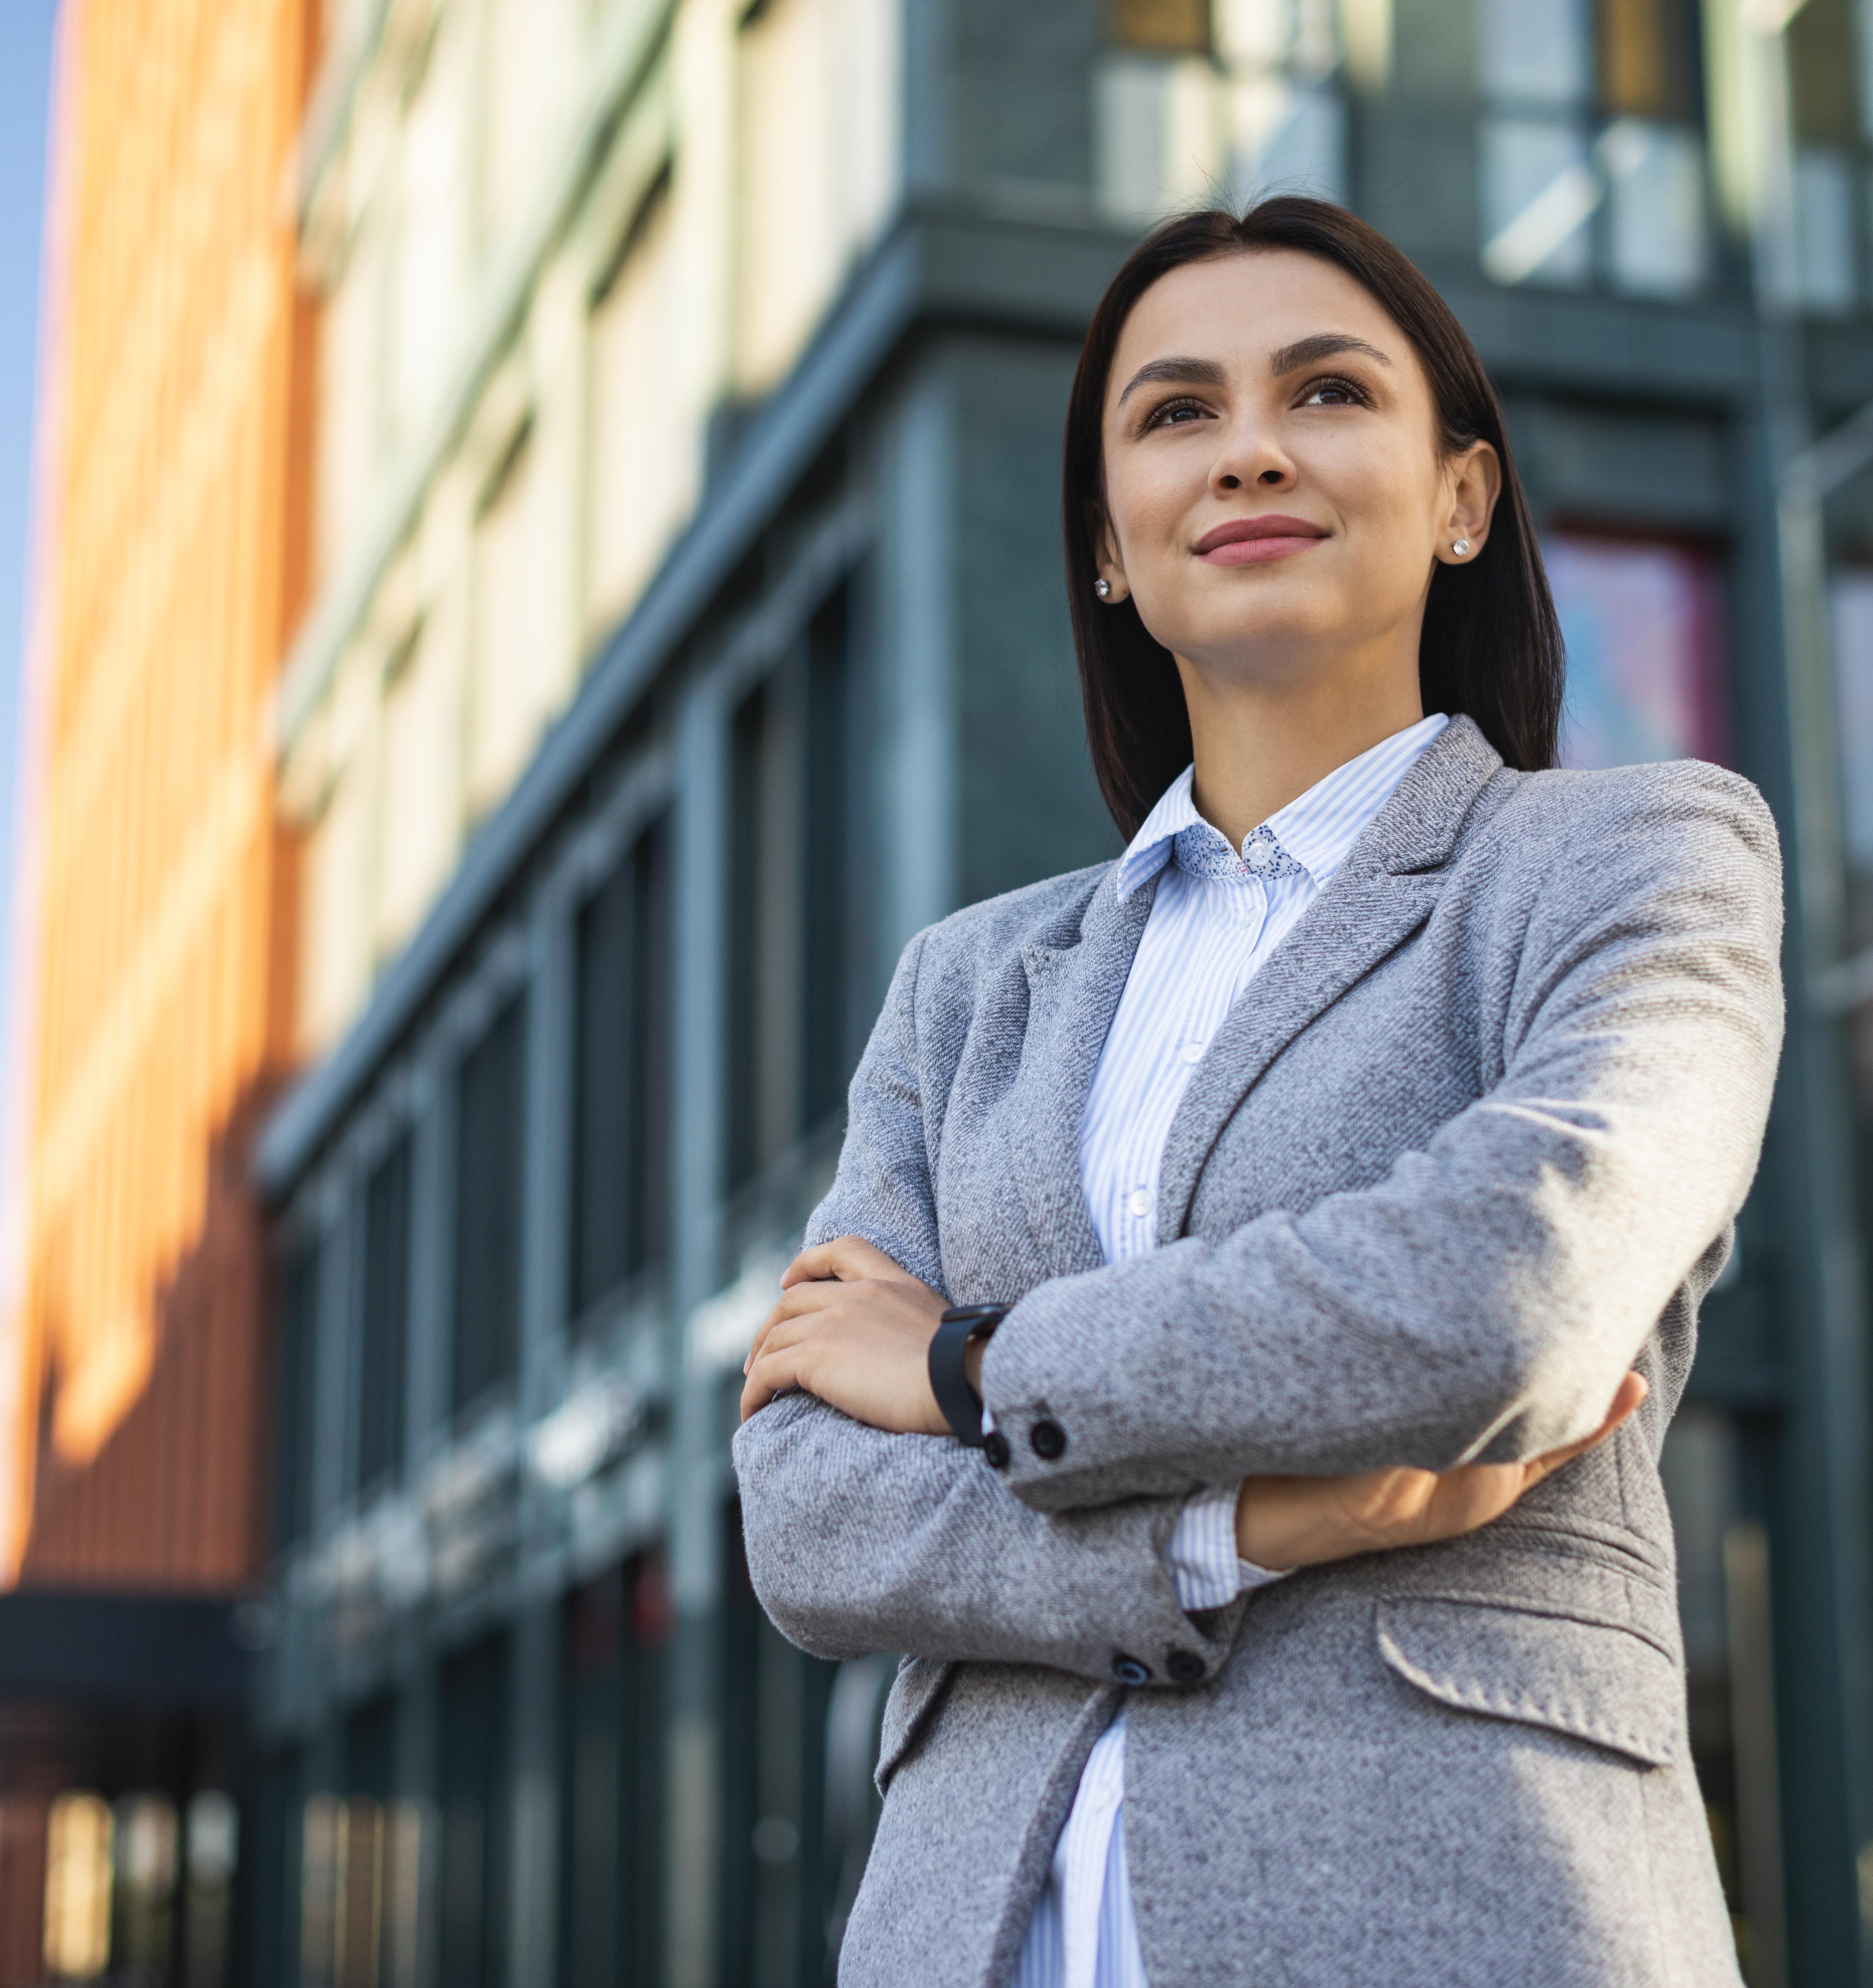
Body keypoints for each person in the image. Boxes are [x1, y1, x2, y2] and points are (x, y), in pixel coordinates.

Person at [732, 196, 1782, 1987]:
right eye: (1175, 413)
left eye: (1326, 392)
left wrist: (970, 1366)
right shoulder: (967, 985)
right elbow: (810, 1518)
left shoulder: (1633, 856)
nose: (1250, 453)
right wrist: (1235, 1528)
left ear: (1461, 497)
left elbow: (1502, 1296)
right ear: (1108, 551)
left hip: (1458, 1913)